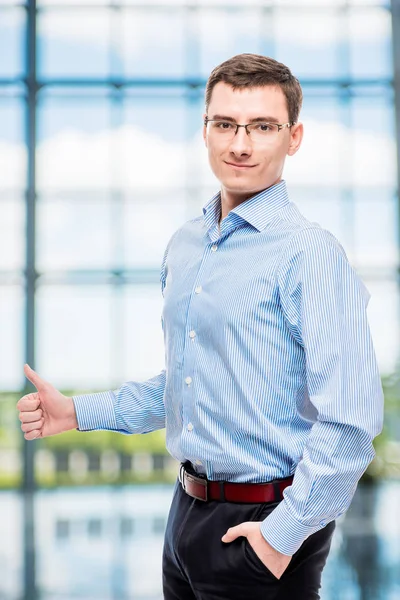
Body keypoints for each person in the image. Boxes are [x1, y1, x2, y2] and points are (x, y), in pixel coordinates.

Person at [17, 53, 384, 600]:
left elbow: (351, 425)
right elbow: (187, 387)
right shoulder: (187, 245)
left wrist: (279, 539)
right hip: (185, 513)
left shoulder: (310, 254)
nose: (240, 143)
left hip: (264, 523)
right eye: (225, 124)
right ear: (205, 130)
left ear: (294, 137)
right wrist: (75, 412)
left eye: (263, 126)